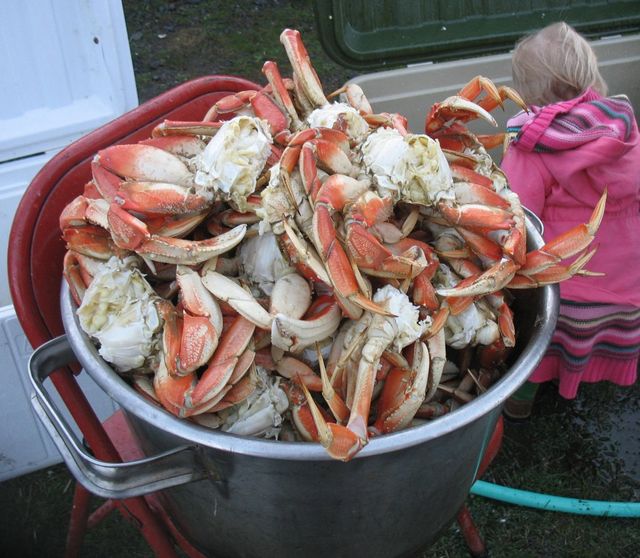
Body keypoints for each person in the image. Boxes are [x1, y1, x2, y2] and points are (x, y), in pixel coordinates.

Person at [500, 22, 640, 418]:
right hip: (628, 289)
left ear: (531, 95)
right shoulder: (624, 129)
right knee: (599, 339)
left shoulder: (532, 149)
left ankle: (520, 404)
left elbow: (518, 216)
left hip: (569, 294)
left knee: (538, 347)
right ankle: (590, 379)